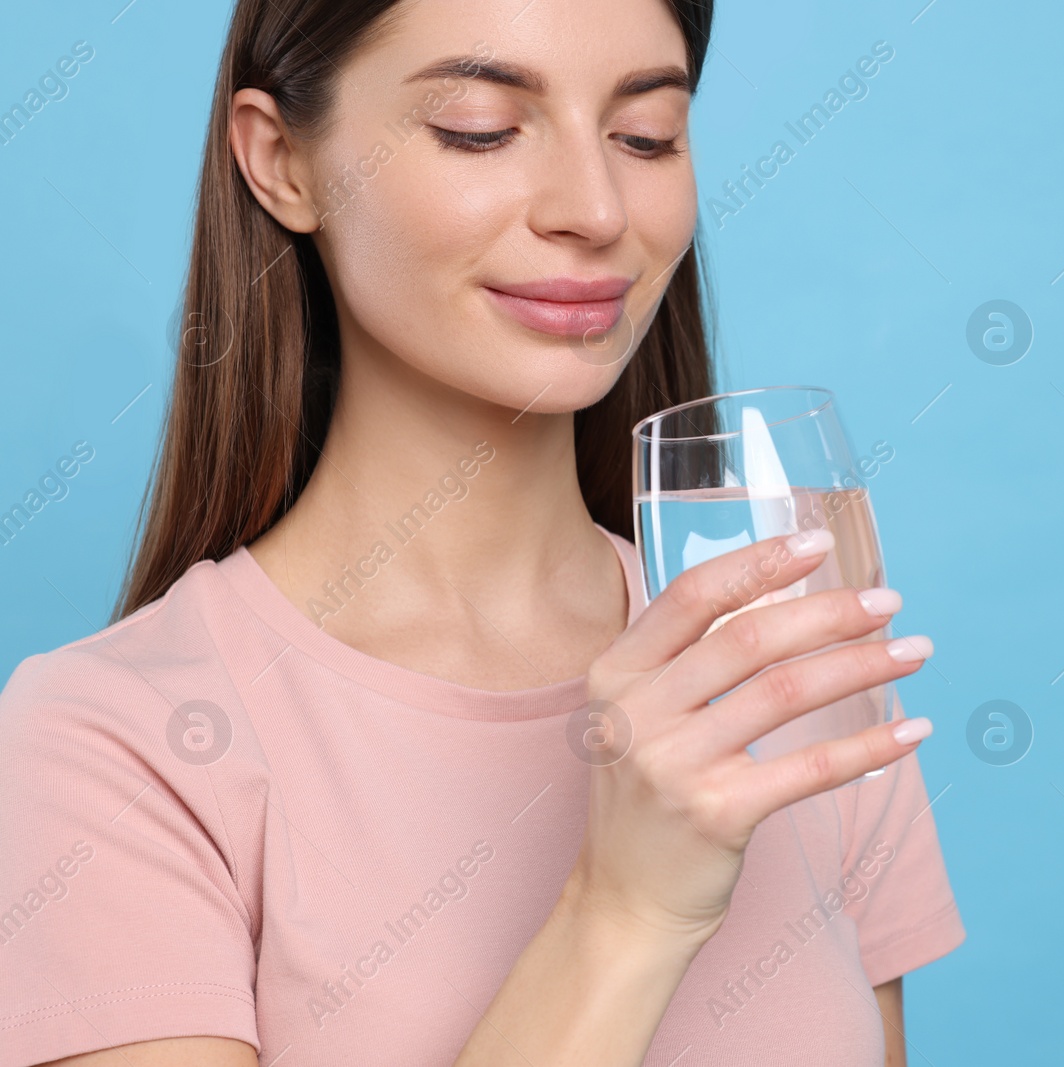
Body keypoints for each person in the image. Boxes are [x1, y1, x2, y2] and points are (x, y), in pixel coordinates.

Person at [0, 0, 964, 1063]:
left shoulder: (772, 660)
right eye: (479, 127)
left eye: (645, 135)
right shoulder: (108, 743)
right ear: (281, 161)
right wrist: (626, 912)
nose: (595, 208)